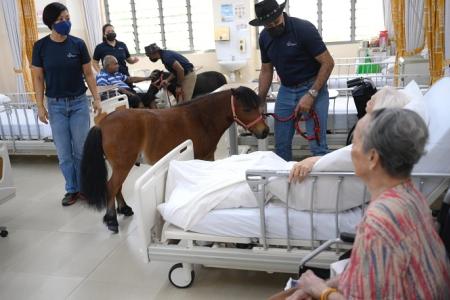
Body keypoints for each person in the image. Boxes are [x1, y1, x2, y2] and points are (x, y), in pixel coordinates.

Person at [271, 108, 450, 300]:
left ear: (373, 158)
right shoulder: (412, 197)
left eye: (354, 142)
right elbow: (368, 271)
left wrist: (320, 291)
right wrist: (320, 285)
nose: (351, 150)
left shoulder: (380, 221)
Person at [31, 2, 102, 206]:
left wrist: (96, 98)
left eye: (68, 18)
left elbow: (88, 73)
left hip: (79, 103)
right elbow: (37, 78)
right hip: (55, 106)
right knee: (64, 154)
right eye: (61, 20)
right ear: (50, 22)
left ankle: (84, 188)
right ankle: (72, 189)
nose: (66, 23)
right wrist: (39, 105)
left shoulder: (78, 44)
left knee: (80, 150)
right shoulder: (41, 47)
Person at [249, 0, 335, 161]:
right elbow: (266, 70)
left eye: (276, 21)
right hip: (287, 89)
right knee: (280, 146)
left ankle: (324, 183)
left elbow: (328, 63)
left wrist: (311, 94)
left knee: (317, 146)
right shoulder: (264, 38)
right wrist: (260, 100)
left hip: (313, 85)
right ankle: (284, 184)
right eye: (268, 25)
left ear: (282, 13)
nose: (273, 26)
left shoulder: (303, 29)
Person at [289, 86, 410, 183]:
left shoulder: (371, 147)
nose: (367, 101)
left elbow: (336, 162)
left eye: (372, 100)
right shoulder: (383, 143)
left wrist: (311, 160)